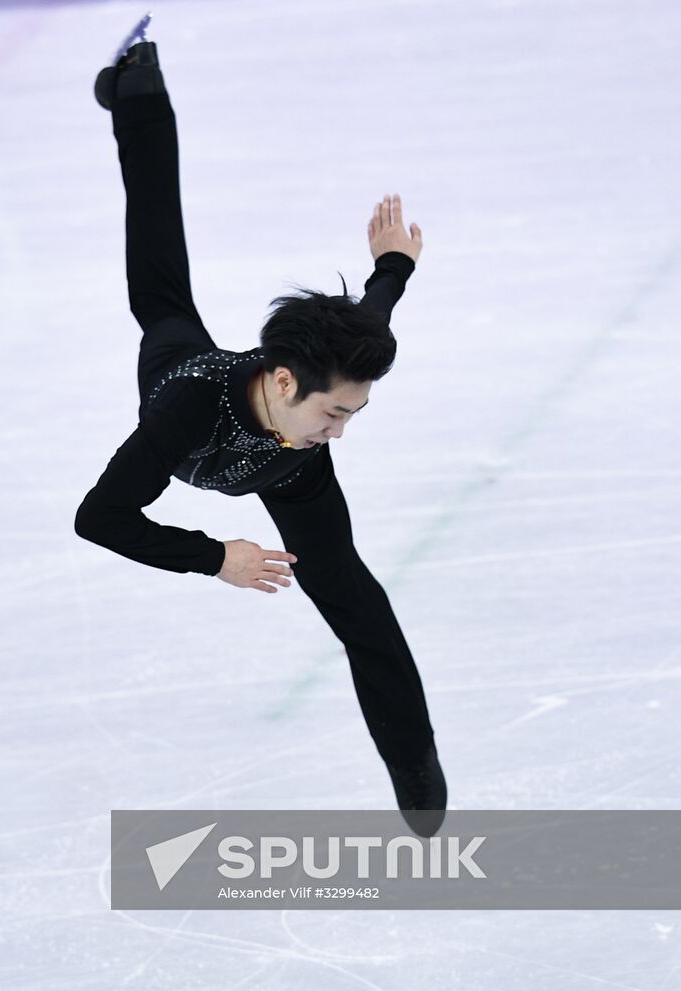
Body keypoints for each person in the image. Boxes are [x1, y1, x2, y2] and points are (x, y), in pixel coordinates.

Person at [77, 27, 447, 837]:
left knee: (352, 598)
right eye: (333, 413)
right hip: (188, 382)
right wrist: (214, 557)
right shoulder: (184, 413)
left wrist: (393, 267)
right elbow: (98, 518)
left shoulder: (313, 418)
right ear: (283, 382)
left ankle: (415, 767)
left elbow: (365, 326)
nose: (340, 431)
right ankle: (138, 89)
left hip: (281, 472)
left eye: (353, 413)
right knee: (161, 292)